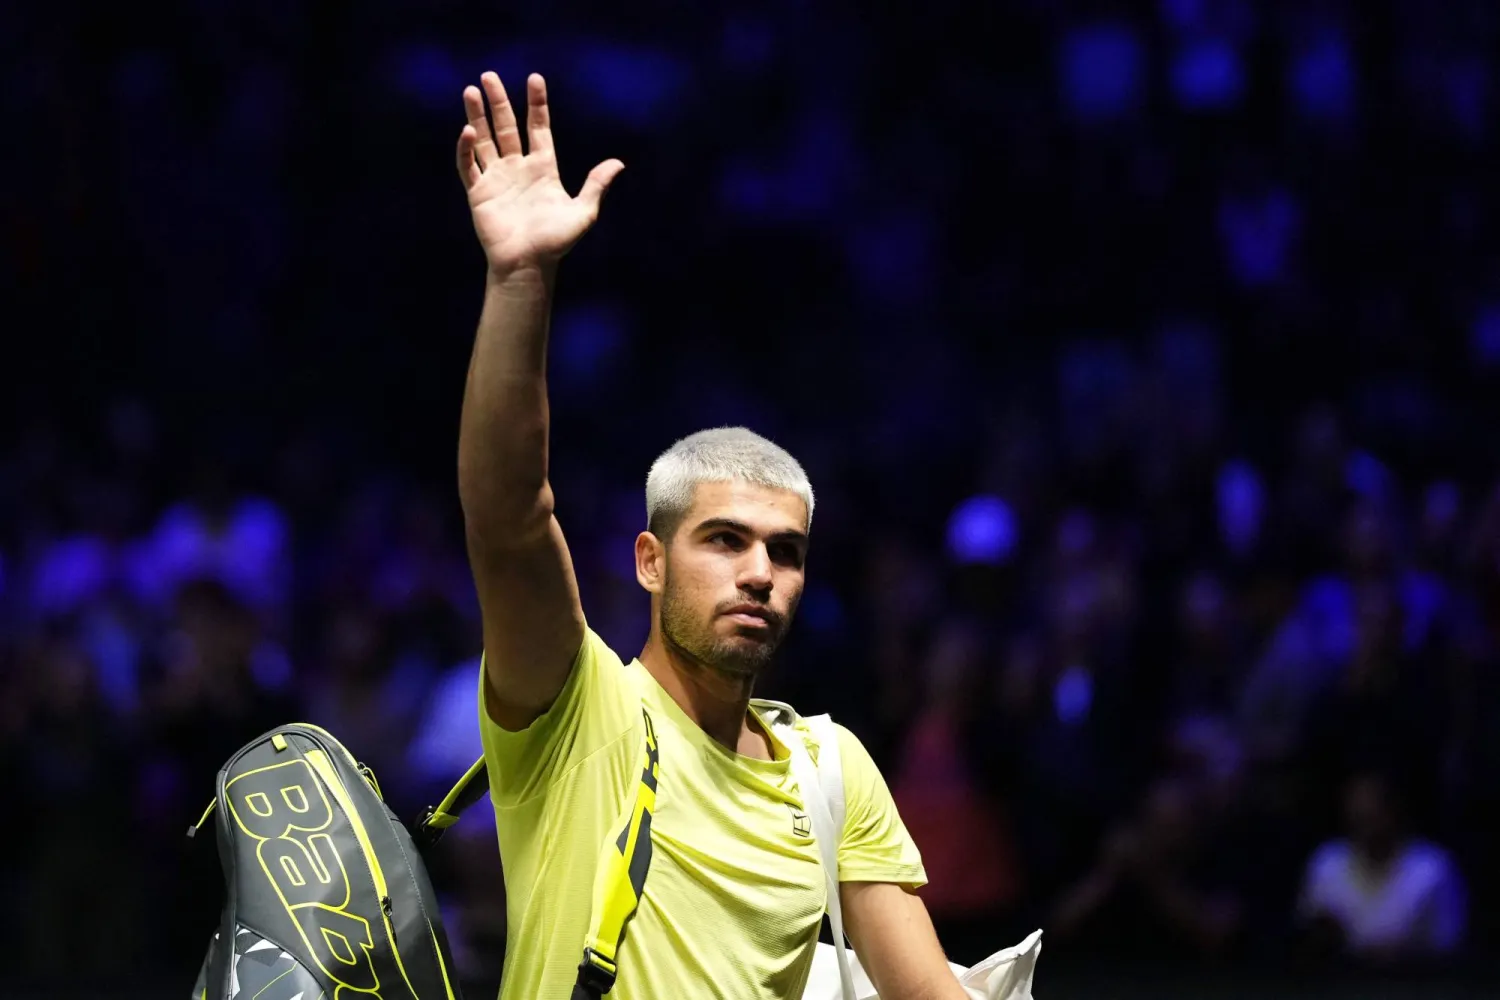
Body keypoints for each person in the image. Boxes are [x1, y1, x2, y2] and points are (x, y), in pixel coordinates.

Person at [452, 71, 970, 1000]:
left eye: (786, 551)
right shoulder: (576, 711)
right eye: (724, 541)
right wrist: (521, 280)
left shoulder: (830, 770)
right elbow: (507, 517)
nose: (760, 572)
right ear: (650, 560)